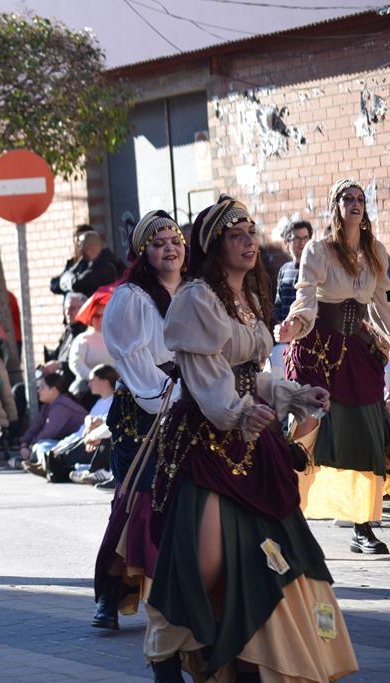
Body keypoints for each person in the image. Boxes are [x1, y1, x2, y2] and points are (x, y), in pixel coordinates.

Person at [146, 198, 356, 681]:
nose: (247, 241)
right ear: (214, 246)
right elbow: (208, 379)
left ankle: (253, 658)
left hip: (252, 438)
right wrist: (240, 413)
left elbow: (250, 373)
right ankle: (165, 652)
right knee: (202, 563)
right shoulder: (197, 298)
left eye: (251, 232)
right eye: (235, 235)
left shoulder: (249, 298)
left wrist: (293, 395)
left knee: (268, 554)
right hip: (206, 440)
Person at [277, 179, 390, 555]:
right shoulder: (318, 249)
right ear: (335, 205)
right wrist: (295, 325)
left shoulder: (375, 251)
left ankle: (362, 527)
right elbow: (306, 299)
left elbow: (381, 305)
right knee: (307, 434)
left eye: (360, 198)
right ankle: (284, 517)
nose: (355, 203)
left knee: (364, 438)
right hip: (319, 349)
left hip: (357, 351)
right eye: (347, 198)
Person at [91, 210, 187, 633]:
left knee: (189, 502)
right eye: (158, 243)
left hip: (193, 401)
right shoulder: (131, 297)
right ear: (143, 252)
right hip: (146, 407)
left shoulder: (197, 290)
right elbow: (133, 360)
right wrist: (169, 398)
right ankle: (111, 592)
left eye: (175, 241)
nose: (169, 249)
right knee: (138, 504)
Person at [41, 364, 118, 483]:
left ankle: (53, 465)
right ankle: (51, 464)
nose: (89, 384)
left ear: (104, 381)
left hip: (97, 443)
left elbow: (110, 424)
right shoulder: (99, 402)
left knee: (53, 450)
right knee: (44, 446)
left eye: (92, 380)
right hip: (88, 440)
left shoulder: (115, 400)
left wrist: (95, 425)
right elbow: (82, 431)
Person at [16, 371, 87, 469]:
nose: (38, 390)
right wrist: (24, 443)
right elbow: (34, 428)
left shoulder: (62, 406)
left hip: (77, 445)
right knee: (41, 445)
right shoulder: (48, 406)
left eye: (42, 387)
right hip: (64, 442)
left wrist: (29, 447)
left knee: (42, 446)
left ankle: (47, 466)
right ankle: (41, 464)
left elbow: (48, 433)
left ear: (53, 390)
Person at [270, 219, 313, 378]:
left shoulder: (315, 270)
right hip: (285, 341)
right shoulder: (284, 270)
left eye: (305, 238)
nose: (302, 243)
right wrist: (280, 325)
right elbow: (278, 304)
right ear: (287, 243)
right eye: (297, 239)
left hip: (308, 340)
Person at [53, 229, 121, 298]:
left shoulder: (105, 266)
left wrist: (65, 278)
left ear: (88, 247)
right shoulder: (86, 262)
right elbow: (54, 285)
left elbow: (77, 284)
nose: (78, 248)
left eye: (80, 244)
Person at [66, 305, 114, 401]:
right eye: (96, 316)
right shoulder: (83, 339)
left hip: (112, 387)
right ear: (91, 318)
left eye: (103, 315)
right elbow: (75, 363)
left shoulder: (116, 338)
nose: (100, 319)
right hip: (88, 389)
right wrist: (93, 378)